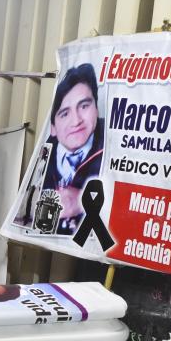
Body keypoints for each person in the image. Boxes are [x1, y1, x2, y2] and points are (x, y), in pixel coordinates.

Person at [41, 62, 104, 234]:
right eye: (65, 113)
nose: (76, 121)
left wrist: (82, 201)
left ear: (97, 109)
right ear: (53, 127)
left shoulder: (115, 145)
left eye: (84, 106)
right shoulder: (43, 154)